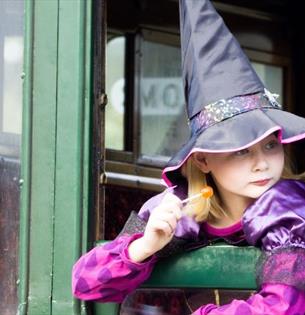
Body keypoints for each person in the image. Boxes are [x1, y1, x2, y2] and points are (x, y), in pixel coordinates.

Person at [72, 0, 305, 313]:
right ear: (203, 159)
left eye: (270, 145)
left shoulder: (290, 212)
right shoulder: (179, 210)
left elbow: (283, 307)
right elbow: (85, 283)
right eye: (240, 150)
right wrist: (146, 245)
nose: (261, 162)